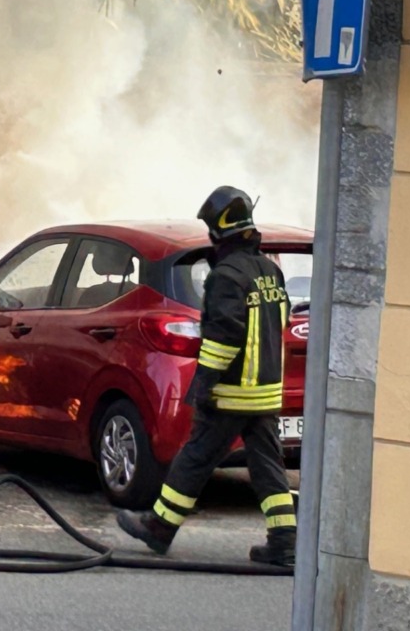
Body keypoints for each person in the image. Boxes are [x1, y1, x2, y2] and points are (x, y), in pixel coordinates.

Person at [117, 186, 298, 568]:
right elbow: (279, 322)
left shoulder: (225, 277)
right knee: (268, 467)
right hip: (266, 393)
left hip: (232, 393)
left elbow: (223, 338)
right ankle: (284, 541)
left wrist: (204, 385)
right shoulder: (270, 272)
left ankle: (160, 527)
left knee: (195, 457)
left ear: (218, 230)